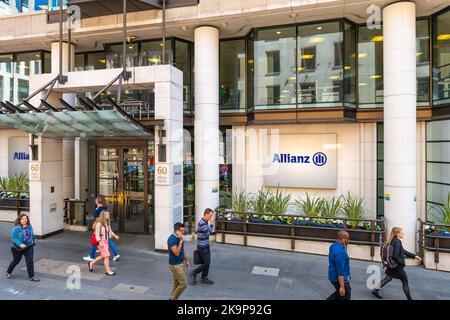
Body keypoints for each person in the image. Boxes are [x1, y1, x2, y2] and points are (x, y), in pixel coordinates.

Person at [371, 227, 422, 300]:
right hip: (397, 266)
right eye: (401, 233)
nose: (403, 234)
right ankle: (410, 299)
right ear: (397, 234)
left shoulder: (391, 240)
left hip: (391, 264)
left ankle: (375, 291)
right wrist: (402, 263)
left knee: (388, 278)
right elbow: (396, 255)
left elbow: (403, 251)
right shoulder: (397, 242)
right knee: (405, 281)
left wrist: (415, 256)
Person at [84, 195, 120, 262]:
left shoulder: (100, 209)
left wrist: (94, 224)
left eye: (95, 199)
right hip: (104, 225)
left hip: (101, 226)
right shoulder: (103, 207)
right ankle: (116, 253)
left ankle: (91, 256)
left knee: (95, 240)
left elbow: (98, 218)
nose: (95, 200)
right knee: (107, 239)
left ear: (98, 201)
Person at [5, 213, 40, 282]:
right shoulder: (16, 228)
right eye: (23, 219)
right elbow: (14, 238)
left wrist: (33, 241)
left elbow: (32, 234)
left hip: (29, 245)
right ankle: (8, 272)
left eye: (26, 218)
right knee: (16, 260)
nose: (25, 220)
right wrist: (20, 244)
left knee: (30, 261)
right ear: (19, 220)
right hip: (17, 248)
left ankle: (31, 276)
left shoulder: (29, 226)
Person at [189, 208, 215, 285]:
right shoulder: (202, 223)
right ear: (206, 214)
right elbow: (208, 233)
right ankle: (194, 273)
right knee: (206, 263)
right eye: (210, 216)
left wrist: (209, 223)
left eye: (211, 216)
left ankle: (204, 278)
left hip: (206, 245)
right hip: (202, 246)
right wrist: (211, 224)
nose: (211, 217)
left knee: (207, 262)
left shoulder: (206, 221)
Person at [88, 211, 117, 276]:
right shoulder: (99, 224)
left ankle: (91, 263)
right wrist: (100, 242)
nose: (108, 215)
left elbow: (110, 231)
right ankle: (108, 271)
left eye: (109, 214)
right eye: (107, 214)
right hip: (101, 242)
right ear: (103, 215)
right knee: (106, 256)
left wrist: (114, 235)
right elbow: (97, 234)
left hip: (106, 241)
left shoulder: (107, 223)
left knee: (103, 256)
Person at [168, 222, 191, 300]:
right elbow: (176, 253)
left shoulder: (180, 237)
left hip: (180, 263)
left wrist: (186, 260)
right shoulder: (172, 239)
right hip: (175, 265)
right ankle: (172, 299)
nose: (183, 232)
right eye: (181, 231)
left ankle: (173, 298)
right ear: (176, 231)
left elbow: (182, 250)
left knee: (176, 283)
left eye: (184, 231)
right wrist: (180, 241)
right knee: (184, 284)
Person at [327, 230, 351, 300]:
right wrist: (342, 286)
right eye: (348, 239)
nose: (349, 241)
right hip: (339, 278)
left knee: (339, 294)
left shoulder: (333, 246)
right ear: (343, 239)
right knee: (345, 293)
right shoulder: (340, 252)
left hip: (332, 275)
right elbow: (340, 271)